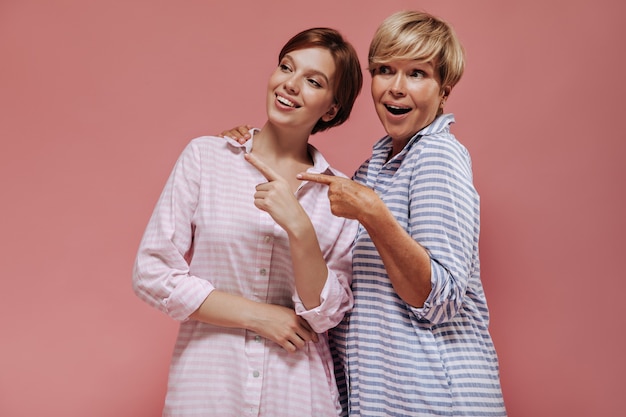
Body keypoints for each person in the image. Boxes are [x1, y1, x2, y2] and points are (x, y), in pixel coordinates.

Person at [219, 10, 507, 416]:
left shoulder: (437, 156)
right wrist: (249, 144)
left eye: (418, 74)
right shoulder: (375, 169)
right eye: (386, 70)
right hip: (385, 399)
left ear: (445, 89)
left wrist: (374, 214)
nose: (396, 88)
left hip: (438, 399)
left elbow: (439, 300)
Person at [132, 27, 363, 416]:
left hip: (297, 392)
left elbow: (325, 314)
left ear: (331, 108)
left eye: (312, 81)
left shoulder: (339, 194)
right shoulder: (207, 157)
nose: (290, 85)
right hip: (208, 386)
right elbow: (152, 273)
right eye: (286, 67)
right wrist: (258, 316)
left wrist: (301, 228)